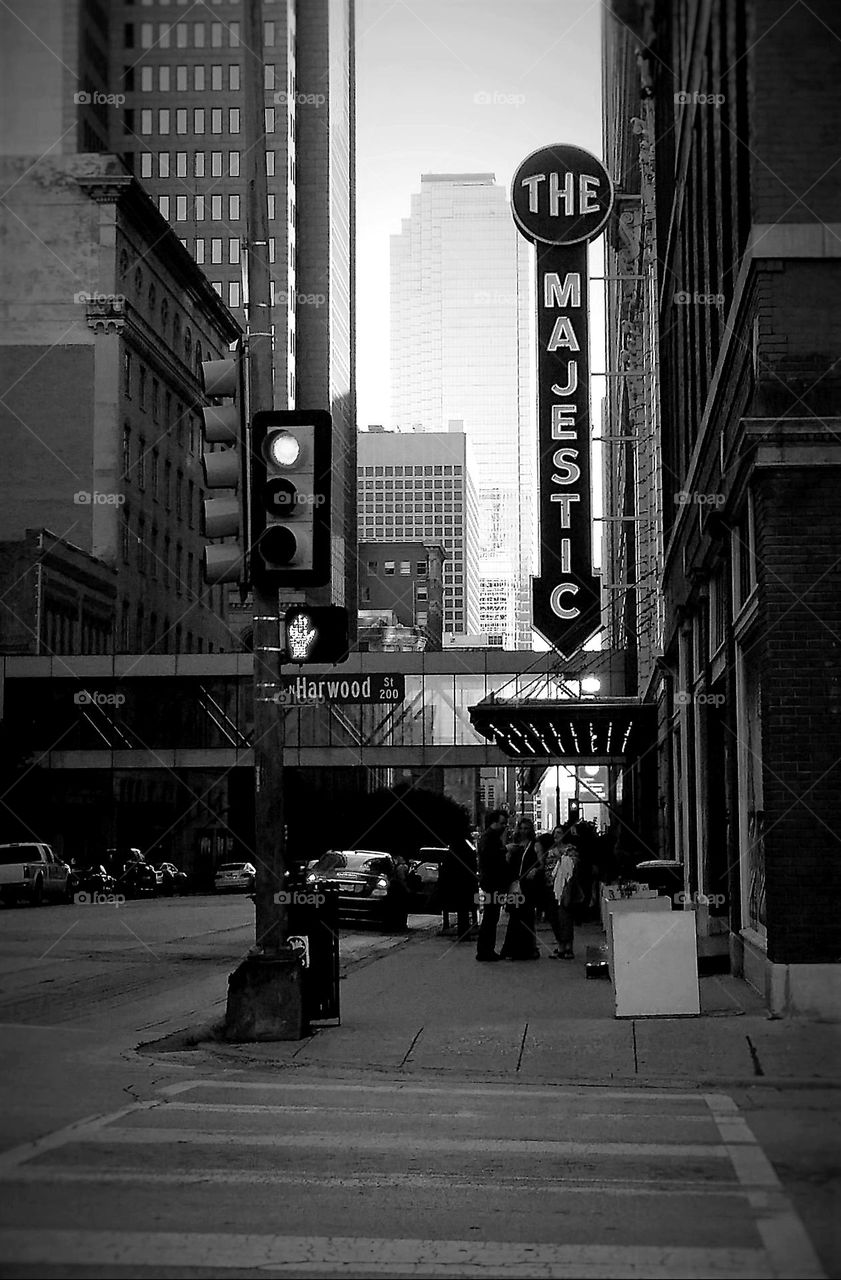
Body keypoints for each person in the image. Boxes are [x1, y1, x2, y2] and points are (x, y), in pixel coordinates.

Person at [500, 817, 542, 960]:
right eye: (521, 828)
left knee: (527, 916)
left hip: (528, 885)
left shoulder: (535, 845)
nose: (523, 831)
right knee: (514, 916)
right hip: (515, 883)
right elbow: (507, 863)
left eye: (526, 828)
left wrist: (536, 870)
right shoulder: (515, 845)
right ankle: (512, 949)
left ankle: (528, 949)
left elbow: (541, 863)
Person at [475, 809, 509, 962]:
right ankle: (485, 951)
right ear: (493, 823)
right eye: (502, 823)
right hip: (492, 883)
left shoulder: (490, 837)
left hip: (491, 882)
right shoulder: (490, 838)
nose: (504, 826)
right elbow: (492, 859)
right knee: (490, 918)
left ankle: (486, 950)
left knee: (491, 918)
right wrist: (505, 850)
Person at [549, 828, 583, 959]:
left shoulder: (570, 850)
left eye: (559, 833)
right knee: (555, 918)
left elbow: (573, 869)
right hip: (552, 887)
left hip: (566, 887)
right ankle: (560, 945)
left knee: (565, 918)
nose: (556, 835)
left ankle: (568, 946)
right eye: (555, 833)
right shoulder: (551, 850)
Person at [440, 832, 478, 941]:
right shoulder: (467, 847)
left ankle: (463, 933)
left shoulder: (454, 848)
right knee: (464, 910)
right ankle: (465, 933)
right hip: (465, 883)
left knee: (462, 910)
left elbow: (446, 867)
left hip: (458, 883)